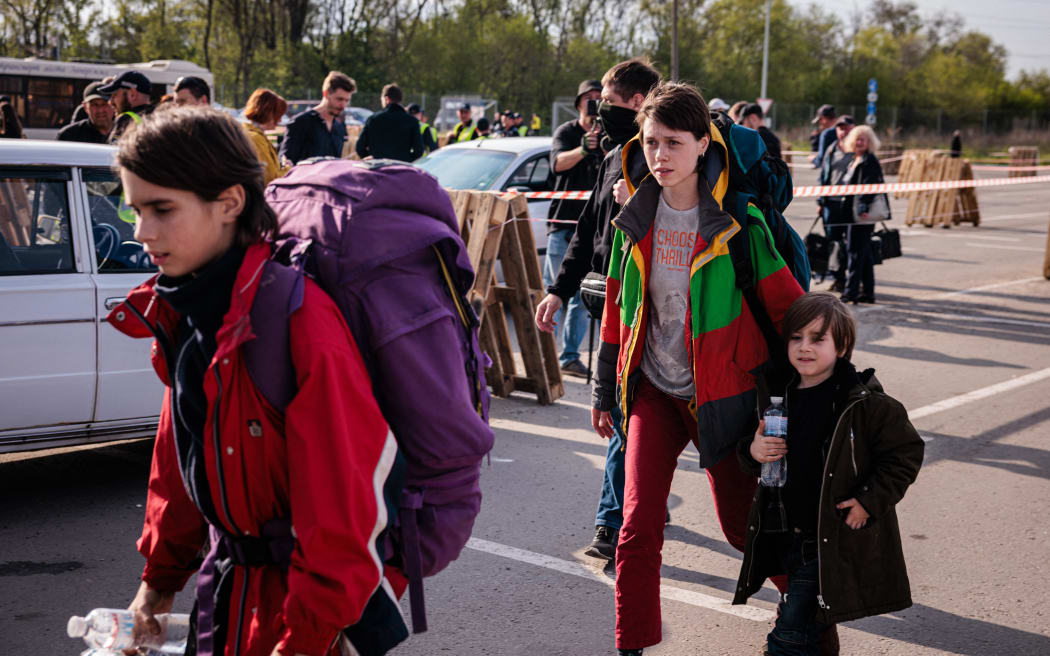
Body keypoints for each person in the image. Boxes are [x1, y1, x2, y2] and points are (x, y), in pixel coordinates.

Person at [108, 106, 405, 656]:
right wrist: (156, 585)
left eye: (162, 209)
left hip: (299, 619)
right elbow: (178, 462)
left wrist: (303, 641)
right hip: (224, 596)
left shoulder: (296, 322)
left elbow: (343, 512)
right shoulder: (184, 309)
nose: (143, 233)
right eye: (135, 211)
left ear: (230, 203)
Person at [593, 82, 803, 656]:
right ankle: (631, 645)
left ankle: (805, 613)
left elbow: (789, 311)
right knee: (635, 529)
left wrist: (812, 390)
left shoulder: (738, 222)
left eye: (673, 143)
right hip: (653, 392)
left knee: (741, 527)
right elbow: (617, 304)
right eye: (652, 142)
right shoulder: (632, 214)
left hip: (723, 396)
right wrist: (602, 388)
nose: (660, 156)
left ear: (703, 144)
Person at [735, 291, 924, 656]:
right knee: (808, 622)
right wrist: (753, 451)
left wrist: (869, 501)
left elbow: (905, 453)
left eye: (818, 339)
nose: (804, 347)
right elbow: (751, 450)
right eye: (796, 337)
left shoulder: (863, 402)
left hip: (829, 537)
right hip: (786, 531)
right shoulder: (777, 394)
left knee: (789, 636)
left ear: (842, 346)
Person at [534, 57, 661, 562]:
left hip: (660, 312)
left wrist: (637, 204)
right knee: (621, 414)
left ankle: (624, 511)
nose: (599, 110)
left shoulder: (667, 157)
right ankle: (619, 516)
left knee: (634, 418)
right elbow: (588, 232)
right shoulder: (613, 156)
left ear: (635, 102)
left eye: (606, 100)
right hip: (613, 306)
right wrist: (558, 291)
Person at [544, 79, 603, 378]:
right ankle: (542, 356)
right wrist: (582, 149)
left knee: (581, 299)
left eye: (600, 98)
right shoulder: (567, 131)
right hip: (563, 223)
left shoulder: (608, 136)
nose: (594, 103)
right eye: (589, 98)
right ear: (579, 102)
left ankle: (569, 356)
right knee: (552, 294)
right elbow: (557, 164)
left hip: (591, 229)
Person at [838, 124, 884, 304]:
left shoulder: (869, 161)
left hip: (861, 215)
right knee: (864, 254)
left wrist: (864, 207)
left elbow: (871, 186)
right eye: (856, 139)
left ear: (869, 142)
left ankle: (851, 292)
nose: (858, 142)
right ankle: (868, 292)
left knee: (855, 252)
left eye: (862, 140)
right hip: (851, 213)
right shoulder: (854, 159)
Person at [279, 70, 354, 164]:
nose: (343, 105)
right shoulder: (301, 123)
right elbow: (285, 162)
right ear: (326, 94)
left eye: (347, 101)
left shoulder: (339, 127)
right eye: (339, 99)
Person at [817, 115, 856, 293]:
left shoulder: (858, 150)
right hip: (831, 204)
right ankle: (839, 278)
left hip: (850, 204)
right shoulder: (832, 149)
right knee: (834, 243)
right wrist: (821, 201)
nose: (843, 131)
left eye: (847, 128)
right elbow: (824, 175)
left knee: (851, 244)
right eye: (840, 128)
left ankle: (854, 280)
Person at [355, 83, 423, 162]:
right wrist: (406, 160)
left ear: (386, 99)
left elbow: (359, 147)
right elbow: (419, 151)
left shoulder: (373, 120)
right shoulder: (412, 121)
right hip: (401, 169)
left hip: (378, 168)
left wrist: (373, 158)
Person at [242, 88, 290, 184]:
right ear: (268, 113)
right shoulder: (256, 139)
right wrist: (288, 168)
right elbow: (271, 178)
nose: (280, 121)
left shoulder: (247, 133)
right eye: (278, 116)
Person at [99, 70, 157, 143]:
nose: (110, 102)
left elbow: (112, 152)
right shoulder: (160, 118)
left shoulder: (126, 119)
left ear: (132, 94)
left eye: (114, 95)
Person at [811, 104, 838, 168]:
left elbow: (821, 161)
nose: (820, 123)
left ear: (824, 118)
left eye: (820, 120)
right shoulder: (846, 130)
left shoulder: (826, 134)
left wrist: (813, 159)